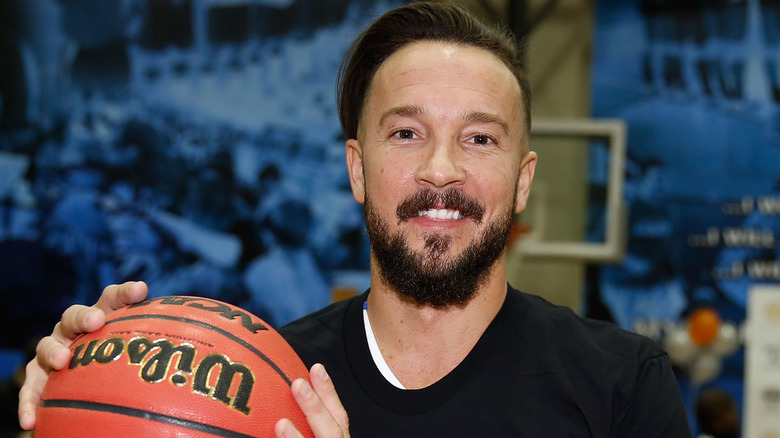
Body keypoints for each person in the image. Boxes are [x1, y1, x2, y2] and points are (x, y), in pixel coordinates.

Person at [19, 2, 691, 437]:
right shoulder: (257, 385)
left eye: (479, 139)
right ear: (356, 171)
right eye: (405, 133)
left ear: (522, 183)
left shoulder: (621, 388)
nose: (440, 170)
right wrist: (78, 399)